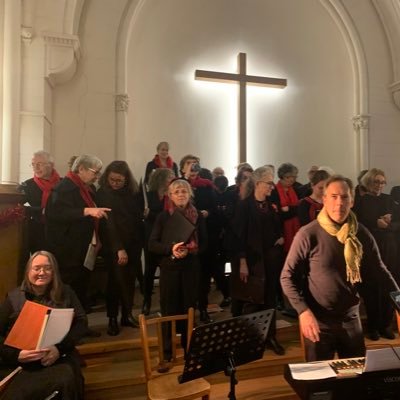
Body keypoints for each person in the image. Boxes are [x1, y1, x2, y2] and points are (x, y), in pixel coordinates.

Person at [280, 175, 399, 362]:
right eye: (334, 196)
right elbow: (287, 277)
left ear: (352, 201)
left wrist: (399, 302)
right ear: (324, 199)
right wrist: (303, 312)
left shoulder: (361, 233)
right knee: (320, 384)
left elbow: (380, 271)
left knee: (355, 378)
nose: (339, 203)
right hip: (318, 321)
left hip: (351, 318)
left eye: (344, 197)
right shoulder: (308, 234)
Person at [0, 251, 87, 400]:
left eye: (48, 268)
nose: (42, 272)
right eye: (37, 268)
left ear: (54, 271)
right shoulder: (14, 297)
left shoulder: (66, 292)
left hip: (56, 357)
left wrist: (59, 349)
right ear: (28, 271)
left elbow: (81, 322)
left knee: (67, 378)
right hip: (20, 362)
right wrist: (17, 355)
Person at [149, 179, 207, 359]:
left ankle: (189, 347)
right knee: (169, 309)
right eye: (177, 192)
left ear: (190, 194)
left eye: (184, 191)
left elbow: (205, 244)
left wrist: (190, 251)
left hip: (191, 268)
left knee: (189, 308)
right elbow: (152, 244)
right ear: (170, 196)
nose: (181, 194)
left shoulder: (198, 216)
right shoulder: (163, 216)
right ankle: (167, 351)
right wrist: (171, 249)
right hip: (170, 268)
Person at [45, 154, 110, 315]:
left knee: (81, 288)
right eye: (96, 172)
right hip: (68, 252)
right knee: (69, 290)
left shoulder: (84, 189)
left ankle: (81, 325)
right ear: (81, 169)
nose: (97, 176)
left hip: (82, 249)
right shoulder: (64, 187)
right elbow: (56, 213)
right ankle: (68, 330)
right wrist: (87, 211)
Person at [231, 166, 285, 355]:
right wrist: (243, 262)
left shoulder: (270, 205)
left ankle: (270, 336)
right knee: (252, 301)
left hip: (269, 260)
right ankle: (251, 339)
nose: (272, 187)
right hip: (252, 261)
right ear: (258, 183)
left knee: (270, 299)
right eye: (269, 183)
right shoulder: (244, 206)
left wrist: (280, 237)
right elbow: (238, 237)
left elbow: (276, 228)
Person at [97, 161, 144, 336]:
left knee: (130, 281)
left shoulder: (132, 191)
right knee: (115, 282)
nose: (115, 184)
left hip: (133, 243)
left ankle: (126, 315)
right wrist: (119, 248)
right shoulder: (103, 193)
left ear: (126, 179)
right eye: (112, 180)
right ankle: (112, 319)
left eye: (119, 180)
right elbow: (109, 224)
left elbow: (136, 215)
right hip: (114, 244)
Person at [353, 168, 399, 340]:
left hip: (390, 249)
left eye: (382, 182)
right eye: (375, 182)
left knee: (389, 287)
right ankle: (372, 326)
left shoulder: (389, 200)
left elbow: (398, 222)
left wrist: (389, 225)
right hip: (371, 250)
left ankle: (386, 325)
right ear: (367, 182)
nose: (379, 185)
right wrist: (375, 223)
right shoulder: (360, 202)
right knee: (372, 290)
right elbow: (357, 224)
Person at [142, 168, 176, 315]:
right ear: (161, 179)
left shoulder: (173, 195)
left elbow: (169, 217)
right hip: (152, 236)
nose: (173, 179)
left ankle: (166, 303)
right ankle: (146, 301)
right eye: (170, 177)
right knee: (149, 271)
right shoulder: (149, 195)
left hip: (167, 238)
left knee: (166, 272)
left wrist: (151, 215)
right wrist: (148, 215)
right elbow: (147, 215)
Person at [19, 151, 61, 254]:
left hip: (61, 232)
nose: (36, 168)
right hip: (38, 232)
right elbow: (17, 207)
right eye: (33, 164)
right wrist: (41, 211)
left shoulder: (63, 184)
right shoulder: (27, 185)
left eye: (39, 164)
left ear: (51, 165)